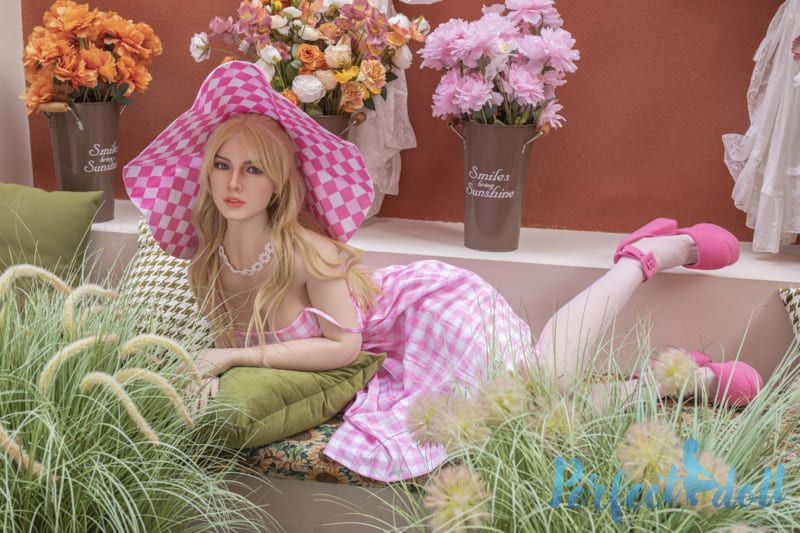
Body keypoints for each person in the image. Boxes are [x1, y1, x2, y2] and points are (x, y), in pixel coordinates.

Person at [124, 61, 762, 483]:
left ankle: (644, 260)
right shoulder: (206, 262)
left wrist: (234, 358)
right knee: (531, 418)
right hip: (389, 358)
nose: (234, 183)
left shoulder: (309, 253)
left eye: (253, 168)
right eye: (222, 165)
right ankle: (673, 380)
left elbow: (342, 347)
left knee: (538, 388)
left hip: (422, 314)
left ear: (280, 181)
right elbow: (232, 348)